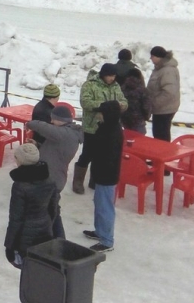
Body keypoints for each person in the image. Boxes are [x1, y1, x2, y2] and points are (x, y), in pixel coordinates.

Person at [4, 143, 57, 303]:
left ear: (22, 162)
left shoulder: (20, 186)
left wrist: (9, 244)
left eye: (16, 158)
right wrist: (49, 227)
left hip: (26, 237)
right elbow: (53, 209)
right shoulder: (49, 179)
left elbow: (16, 218)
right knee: (36, 274)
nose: (15, 160)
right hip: (44, 233)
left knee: (31, 277)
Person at [27, 105, 83, 239]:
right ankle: (55, 238)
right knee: (52, 210)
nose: (51, 122)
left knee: (49, 212)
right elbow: (54, 152)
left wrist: (31, 123)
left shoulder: (65, 134)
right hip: (53, 177)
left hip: (52, 179)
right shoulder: (65, 133)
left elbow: (44, 127)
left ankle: (54, 239)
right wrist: (38, 145)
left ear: (61, 120)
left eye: (53, 119)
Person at [73, 63, 127, 194]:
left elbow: (124, 101)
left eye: (114, 76)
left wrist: (120, 106)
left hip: (109, 128)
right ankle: (78, 181)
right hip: (92, 126)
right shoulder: (90, 85)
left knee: (102, 155)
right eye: (110, 76)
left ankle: (95, 179)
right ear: (103, 74)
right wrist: (105, 106)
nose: (112, 78)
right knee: (87, 154)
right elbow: (85, 102)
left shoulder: (115, 86)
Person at [83, 100, 123, 253]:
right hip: (101, 174)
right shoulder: (107, 128)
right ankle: (100, 232)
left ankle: (106, 241)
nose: (98, 114)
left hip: (107, 176)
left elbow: (106, 155)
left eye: (101, 112)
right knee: (99, 204)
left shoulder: (112, 132)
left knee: (105, 207)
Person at [147, 46, 180, 142]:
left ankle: (163, 154)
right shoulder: (160, 68)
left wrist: (153, 103)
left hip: (164, 109)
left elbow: (169, 92)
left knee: (161, 136)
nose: (151, 58)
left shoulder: (167, 70)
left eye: (152, 56)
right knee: (159, 134)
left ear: (159, 57)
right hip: (161, 108)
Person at [120, 68, 152, 134]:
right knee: (140, 141)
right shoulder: (143, 90)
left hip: (124, 120)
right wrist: (146, 117)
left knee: (127, 139)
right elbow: (146, 107)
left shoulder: (121, 89)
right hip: (138, 121)